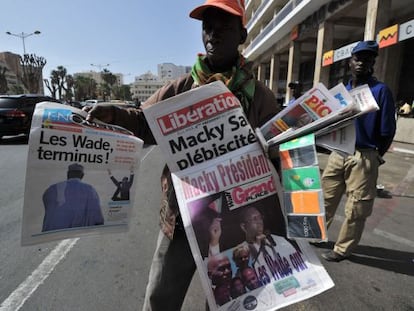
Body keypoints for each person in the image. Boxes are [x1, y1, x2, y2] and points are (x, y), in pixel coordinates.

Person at [84, 0, 281, 309]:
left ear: (242, 36)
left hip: (235, 219)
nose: (213, 36)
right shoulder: (181, 87)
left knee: (228, 298)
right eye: (207, 28)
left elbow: (280, 151)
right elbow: (144, 122)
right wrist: (116, 114)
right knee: (161, 297)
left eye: (224, 28)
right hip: (182, 219)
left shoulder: (260, 96)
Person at [320, 40, 396, 262]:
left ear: (373, 63)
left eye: (367, 59)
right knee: (326, 197)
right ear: (350, 62)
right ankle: (318, 235)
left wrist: (374, 156)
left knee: (356, 208)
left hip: (364, 154)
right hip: (338, 153)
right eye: (357, 58)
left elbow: (387, 131)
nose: (361, 63)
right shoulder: (343, 91)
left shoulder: (381, 91)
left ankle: (342, 249)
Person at [42, 163, 104, 231]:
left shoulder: (52, 189)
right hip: (74, 235)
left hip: (49, 234)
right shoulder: (89, 190)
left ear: (68, 174)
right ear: (82, 175)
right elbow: (97, 217)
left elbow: (48, 206)